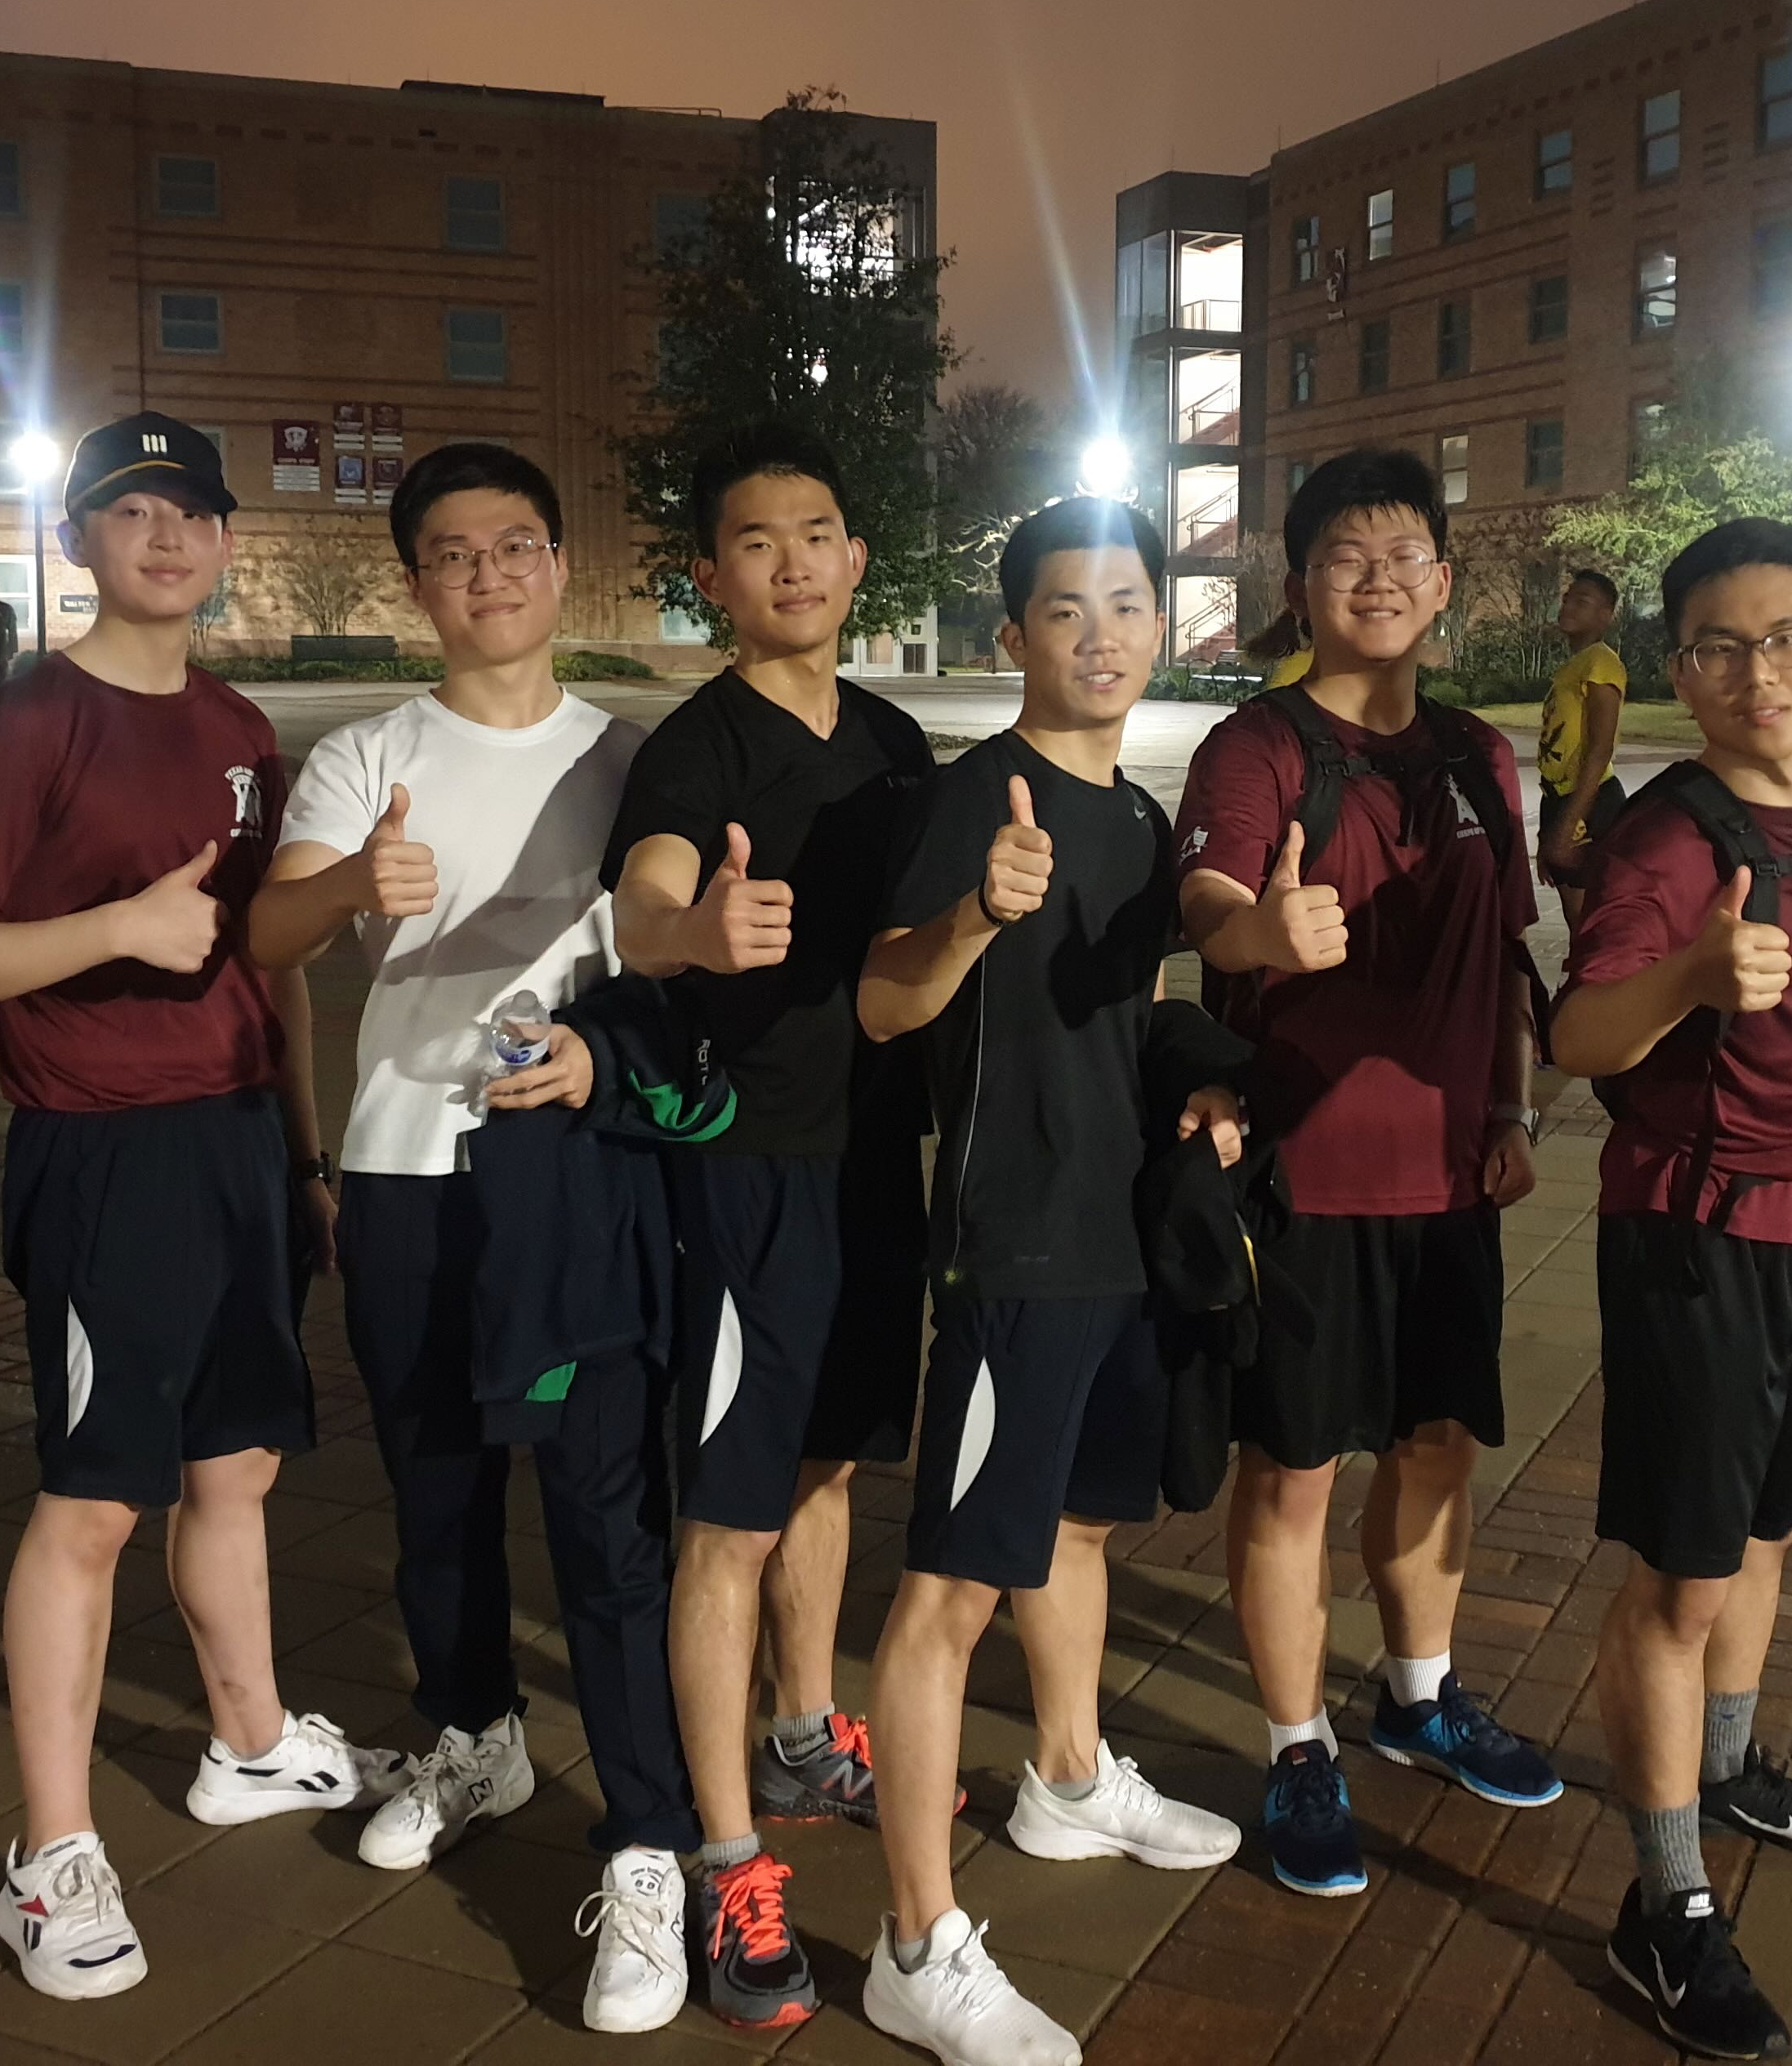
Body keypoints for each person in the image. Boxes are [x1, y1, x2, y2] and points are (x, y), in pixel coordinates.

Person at [0, 412, 403, 2006]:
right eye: (131, 510)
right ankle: (51, 1851)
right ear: (78, 540)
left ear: (227, 540)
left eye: (192, 510)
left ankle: (248, 1739)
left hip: (242, 1142)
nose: (167, 535)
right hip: (103, 1152)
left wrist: (306, 1157)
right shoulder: (26, 722)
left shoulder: (239, 728)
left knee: (235, 1463)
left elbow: (267, 961)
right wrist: (111, 925)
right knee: (97, 1499)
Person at [250, 440, 700, 2036]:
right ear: (416, 581)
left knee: (600, 1508)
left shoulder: (632, 757)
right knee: (433, 1480)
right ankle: (474, 1733)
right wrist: (349, 887)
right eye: (452, 553)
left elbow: (670, 952)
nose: (487, 575)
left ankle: (645, 1835)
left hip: (569, 1177)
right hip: (403, 1168)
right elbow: (269, 931)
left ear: (561, 564)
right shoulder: (365, 755)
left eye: (515, 545)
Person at [856, 497, 1244, 2066]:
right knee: (949, 1588)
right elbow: (884, 1002)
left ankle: (1068, 1777)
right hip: (1010, 1244)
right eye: (1066, 608)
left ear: (1161, 622)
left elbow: (1119, 1017)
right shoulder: (971, 797)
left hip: (1114, 1236)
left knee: (1078, 1524)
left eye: (1128, 602)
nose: (1101, 633)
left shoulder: (1137, 817)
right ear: (1012, 631)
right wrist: (973, 908)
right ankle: (912, 1940)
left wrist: (1199, 1083)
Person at [1173, 449, 1561, 1903]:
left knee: (1437, 1443)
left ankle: (1417, 1693)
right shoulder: (1260, 747)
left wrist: (1511, 1108)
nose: (1379, 579)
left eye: (1405, 555)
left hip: (1450, 1176)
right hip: (1306, 1175)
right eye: (1347, 555)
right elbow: (1211, 901)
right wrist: (1260, 935)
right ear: (1299, 587)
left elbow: (1504, 952)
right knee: (1292, 1471)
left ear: (1444, 583)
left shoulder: (1479, 756)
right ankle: (1297, 1745)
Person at [1551, 518, 1792, 2063]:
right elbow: (1577, 1038)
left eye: (1788, 638)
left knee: (1770, 1527)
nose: (1758, 671)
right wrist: (1691, 978)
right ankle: (1664, 1901)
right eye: (1719, 645)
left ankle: (1731, 1760)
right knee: (1681, 1579)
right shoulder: (1667, 843)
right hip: (1696, 1237)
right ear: (1680, 672)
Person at [600, 422, 934, 2031]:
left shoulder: (893, 738)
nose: (792, 561)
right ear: (710, 576)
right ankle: (729, 1856)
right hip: (749, 1168)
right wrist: (692, 930)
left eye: (816, 532)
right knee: (728, 1513)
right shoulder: (697, 746)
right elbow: (643, 901)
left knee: (825, 1464)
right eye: (755, 539)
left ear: (858, 558)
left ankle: (805, 1730)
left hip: (877, 1158)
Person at [1537, 569, 1628, 926]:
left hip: (1588, 803)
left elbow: (1600, 749)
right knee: (1575, 919)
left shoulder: (1600, 662)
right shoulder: (1573, 666)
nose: (1568, 606)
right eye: (1567, 598)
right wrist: (1548, 831)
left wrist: (1568, 822)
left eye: (1582, 601)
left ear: (1605, 615)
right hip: (1560, 799)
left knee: (1589, 923)